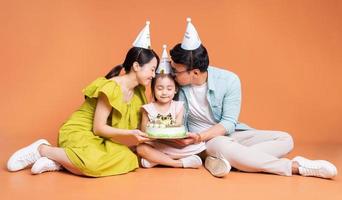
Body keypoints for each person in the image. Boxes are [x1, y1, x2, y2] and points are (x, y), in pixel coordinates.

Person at [168, 18, 338, 178]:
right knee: (222, 146)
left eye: (176, 71)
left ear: (195, 72)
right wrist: (198, 140)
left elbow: (228, 123)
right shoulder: (173, 85)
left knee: (285, 139)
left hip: (226, 135)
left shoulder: (229, 80)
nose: (173, 73)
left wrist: (201, 136)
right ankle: (296, 167)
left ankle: (231, 160)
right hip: (207, 144)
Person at [7, 21, 160, 177]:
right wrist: (130, 133)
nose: (154, 75)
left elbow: (142, 125)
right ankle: (42, 149)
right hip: (79, 133)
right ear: (136, 66)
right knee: (93, 164)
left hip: (97, 141)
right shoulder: (112, 87)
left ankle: (59, 162)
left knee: (128, 158)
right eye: (152, 69)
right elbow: (98, 128)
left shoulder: (139, 92)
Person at [137, 45, 206, 169]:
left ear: (175, 90)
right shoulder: (147, 109)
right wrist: (153, 136)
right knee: (141, 148)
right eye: (159, 88)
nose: (164, 92)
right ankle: (179, 163)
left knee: (201, 146)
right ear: (153, 89)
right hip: (155, 144)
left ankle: (157, 160)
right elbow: (144, 134)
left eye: (169, 88)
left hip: (174, 145)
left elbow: (177, 129)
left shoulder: (178, 106)